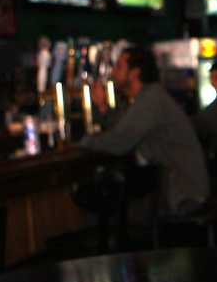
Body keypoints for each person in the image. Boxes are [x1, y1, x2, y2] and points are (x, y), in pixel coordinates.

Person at [82, 45, 209, 214]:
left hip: (184, 195)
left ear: (134, 73)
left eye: (119, 67)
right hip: (172, 190)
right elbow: (123, 125)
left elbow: (119, 141)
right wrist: (103, 107)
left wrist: (81, 143)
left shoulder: (151, 99)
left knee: (106, 202)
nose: (112, 72)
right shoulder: (147, 97)